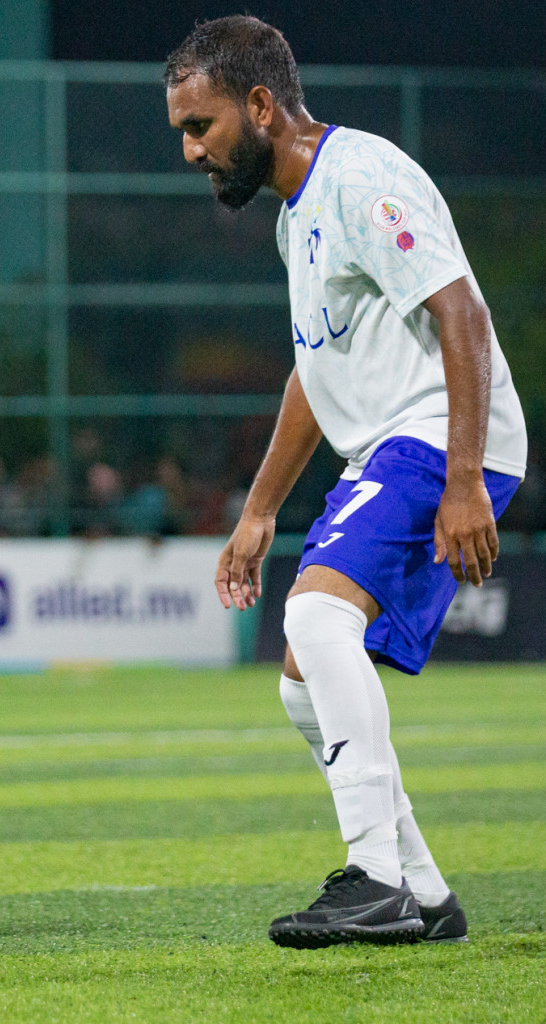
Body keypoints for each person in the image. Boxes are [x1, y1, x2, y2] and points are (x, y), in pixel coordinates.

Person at [165, 16, 526, 948]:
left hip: (437, 442)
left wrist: (460, 480)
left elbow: (462, 311)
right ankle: (421, 887)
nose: (192, 151)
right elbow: (311, 375)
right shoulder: (297, 218)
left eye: (200, 127)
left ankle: (371, 879)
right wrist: (257, 513)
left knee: (316, 619)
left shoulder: (361, 177)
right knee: (299, 683)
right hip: (392, 451)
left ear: (259, 105)